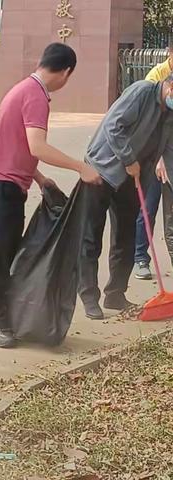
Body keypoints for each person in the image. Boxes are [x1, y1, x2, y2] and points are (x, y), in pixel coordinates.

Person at [0, 43, 101, 348]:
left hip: (5, 183)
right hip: (1, 186)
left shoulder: (23, 89)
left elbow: (17, 144)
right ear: (66, 72)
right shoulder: (35, 96)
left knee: (7, 254)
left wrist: (40, 179)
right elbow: (37, 146)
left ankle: (7, 317)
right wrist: (79, 167)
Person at [78, 73, 173, 320]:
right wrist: (129, 159)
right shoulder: (141, 92)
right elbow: (114, 125)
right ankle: (89, 296)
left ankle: (116, 293)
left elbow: (168, 150)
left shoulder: (169, 115)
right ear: (170, 86)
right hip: (101, 171)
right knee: (91, 237)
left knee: (125, 237)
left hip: (133, 180)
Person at [134, 43, 173, 280]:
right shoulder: (156, 78)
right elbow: (151, 125)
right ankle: (140, 258)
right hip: (153, 158)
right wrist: (158, 159)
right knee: (148, 208)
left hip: (170, 157)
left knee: (170, 218)